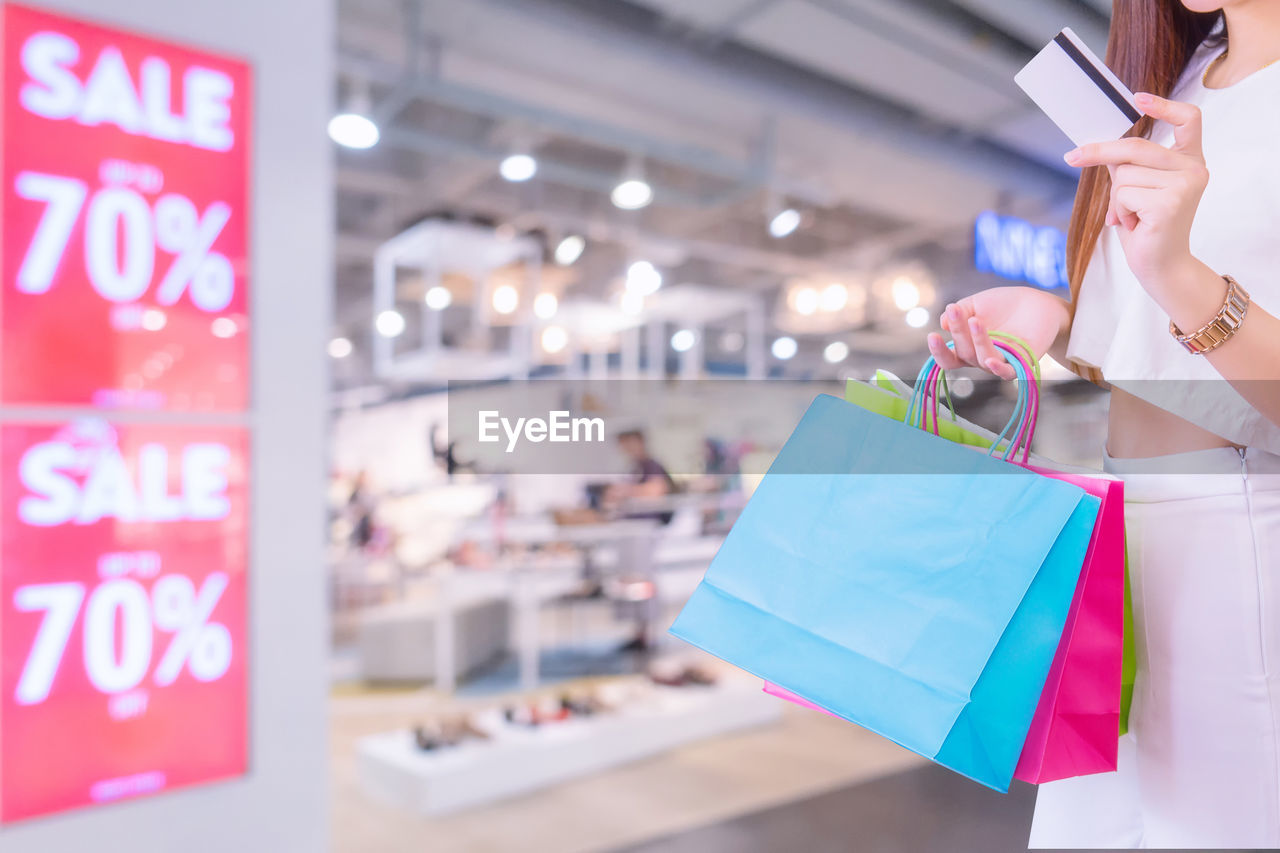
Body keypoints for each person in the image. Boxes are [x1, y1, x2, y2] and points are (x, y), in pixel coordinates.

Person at [930, 2, 1280, 847]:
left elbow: (1186, 292)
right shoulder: (1175, 85)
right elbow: (1152, 339)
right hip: (1118, 533)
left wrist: (1178, 272)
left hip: (1247, 540)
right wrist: (1056, 316)